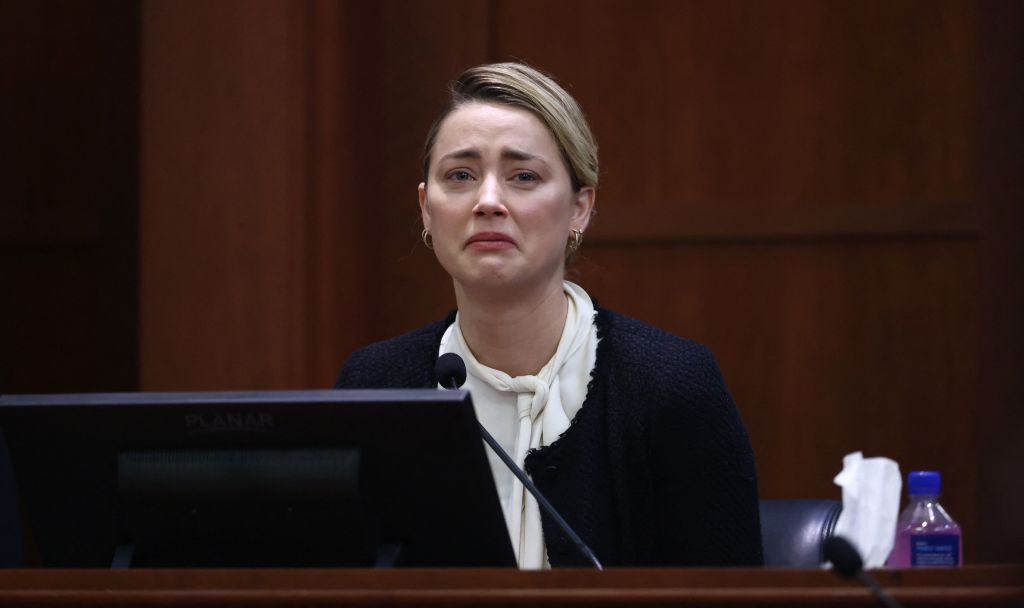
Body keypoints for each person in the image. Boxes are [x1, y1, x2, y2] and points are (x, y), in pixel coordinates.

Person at [335, 63, 762, 568]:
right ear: (427, 208)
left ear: (580, 208)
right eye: (461, 176)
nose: (488, 201)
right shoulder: (376, 387)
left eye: (523, 176)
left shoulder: (671, 385)